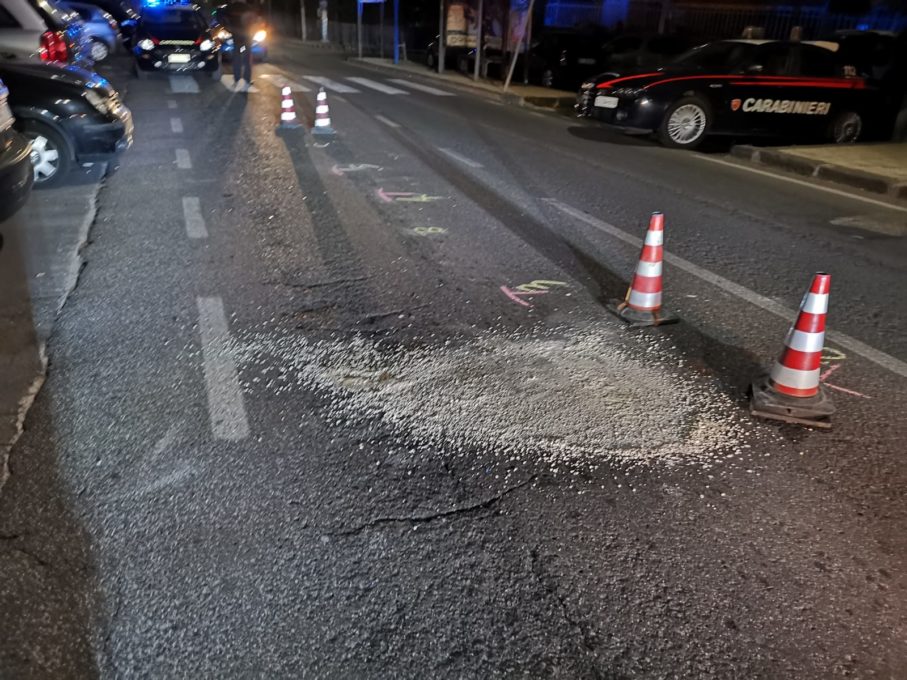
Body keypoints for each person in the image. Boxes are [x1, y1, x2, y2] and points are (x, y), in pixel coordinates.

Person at [221, 1, 260, 88]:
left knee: (237, 59)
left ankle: (237, 79)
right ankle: (247, 79)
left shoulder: (230, 7)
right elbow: (255, 20)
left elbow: (222, 18)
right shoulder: (247, 7)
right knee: (247, 59)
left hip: (237, 37)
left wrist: (229, 29)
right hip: (246, 36)